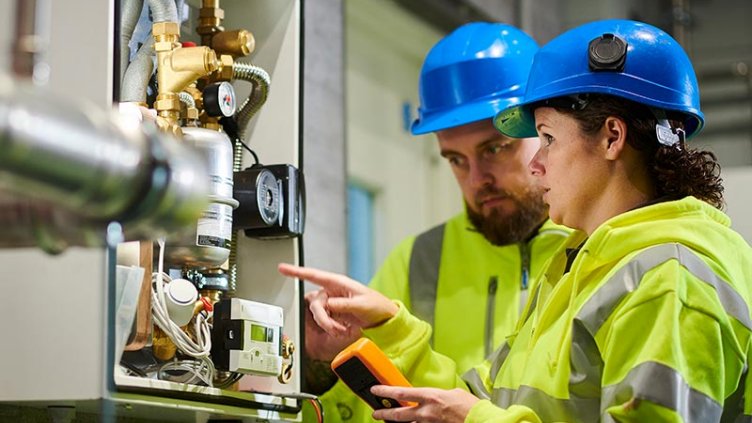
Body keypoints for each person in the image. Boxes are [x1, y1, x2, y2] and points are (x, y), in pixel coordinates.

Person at [283, 19, 752, 422]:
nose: (536, 164)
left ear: (612, 137)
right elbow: (480, 402)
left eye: (546, 138)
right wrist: (391, 328)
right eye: (455, 160)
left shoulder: (669, 279)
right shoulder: (578, 270)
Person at [304, 22, 570, 422]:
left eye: (496, 148)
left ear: (546, 129)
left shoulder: (598, 250)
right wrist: (322, 364)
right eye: (456, 160)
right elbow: (360, 412)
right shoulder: (415, 261)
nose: (477, 179)